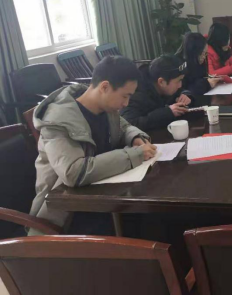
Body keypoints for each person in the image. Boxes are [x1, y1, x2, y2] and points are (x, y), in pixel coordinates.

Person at [30, 56, 157, 234]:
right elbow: (74, 173)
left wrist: (135, 137)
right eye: (125, 96)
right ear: (104, 87)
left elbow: (123, 127)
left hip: (101, 198)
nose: (126, 104)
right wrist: (134, 154)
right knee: (146, 225)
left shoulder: (105, 106)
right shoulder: (57, 120)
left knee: (152, 218)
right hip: (67, 215)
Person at [121, 55, 196, 132]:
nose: (180, 85)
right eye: (178, 81)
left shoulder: (166, 83)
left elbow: (181, 91)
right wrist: (166, 113)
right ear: (161, 82)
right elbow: (128, 125)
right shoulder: (136, 93)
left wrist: (186, 95)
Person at [177, 32, 221, 96]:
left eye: (205, 53)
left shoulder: (199, 61)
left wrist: (209, 78)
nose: (204, 57)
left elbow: (200, 78)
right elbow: (185, 91)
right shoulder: (180, 66)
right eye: (202, 53)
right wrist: (207, 83)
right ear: (193, 52)